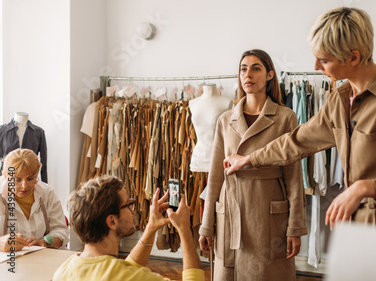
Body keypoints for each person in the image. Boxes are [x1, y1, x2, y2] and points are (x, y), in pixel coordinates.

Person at [224, 7, 376, 227]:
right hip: (358, 229)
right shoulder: (339, 100)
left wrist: (366, 187)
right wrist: (249, 159)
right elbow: (297, 141)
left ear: (353, 57)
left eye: (324, 61)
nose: (316, 67)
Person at [199, 49, 308, 280]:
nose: (248, 74)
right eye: (243, 69)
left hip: (268, 215)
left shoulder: (285, 117)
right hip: (230, 210)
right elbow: (216, 175)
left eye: (256, 68)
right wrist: (206, 224)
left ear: (269, 75)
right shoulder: (225, 120)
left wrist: (295, 228)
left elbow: (294, 178)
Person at [53, 175, 204, 281]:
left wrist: (151, 228)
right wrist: (184, 230)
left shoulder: (62, 272)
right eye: (128, 205)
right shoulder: (129, 276)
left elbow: (122, 269)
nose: (133, 209)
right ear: (112, 221)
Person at [0, 148, 68, 252]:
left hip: (43, 257)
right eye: (17, 180)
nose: (24, 186)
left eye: (30, 179)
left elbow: (61, 230)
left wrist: (44, 242)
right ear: (5, 176)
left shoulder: (47, 193)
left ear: (37, 174)